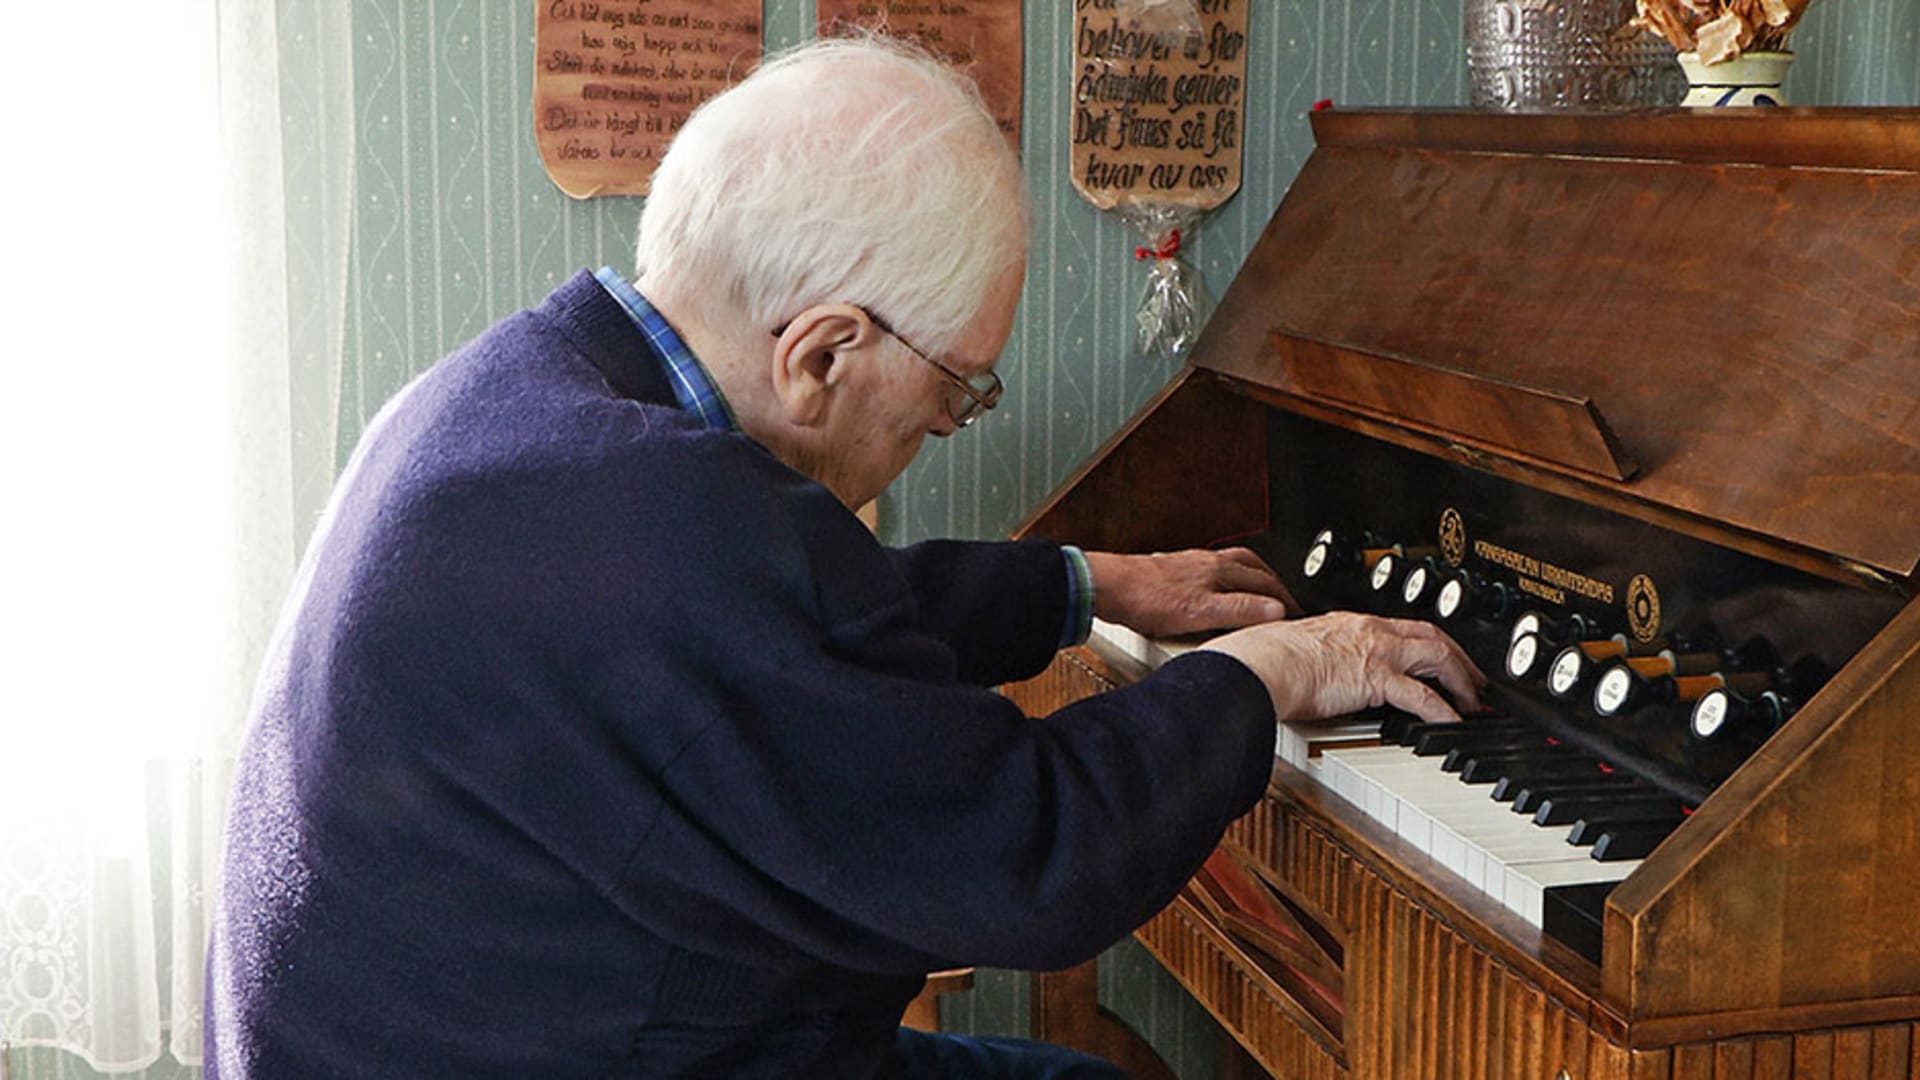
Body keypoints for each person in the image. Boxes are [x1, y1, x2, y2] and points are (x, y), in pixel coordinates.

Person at [206, 35, 1482, 1079]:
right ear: (821, 353)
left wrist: (1085, 585)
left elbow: (779, 633)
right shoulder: (667, 529)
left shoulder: (539, 395)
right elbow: (1029, 861)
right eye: (955, 396)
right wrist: (1275, 668)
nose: (947, 427)